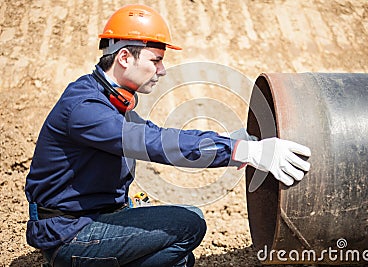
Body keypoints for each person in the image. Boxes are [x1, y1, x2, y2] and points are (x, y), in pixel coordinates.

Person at [25, 4, 311, 267]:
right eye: (156, 60)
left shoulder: (108, 101)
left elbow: (155, 135)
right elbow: (157, 143)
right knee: (189, 223)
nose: (162, 70)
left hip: (92, 219)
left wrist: (231, 140)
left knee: (179, 261)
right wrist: (243, 151)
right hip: (69, 236)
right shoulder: (85, 109)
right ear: (125, 57)